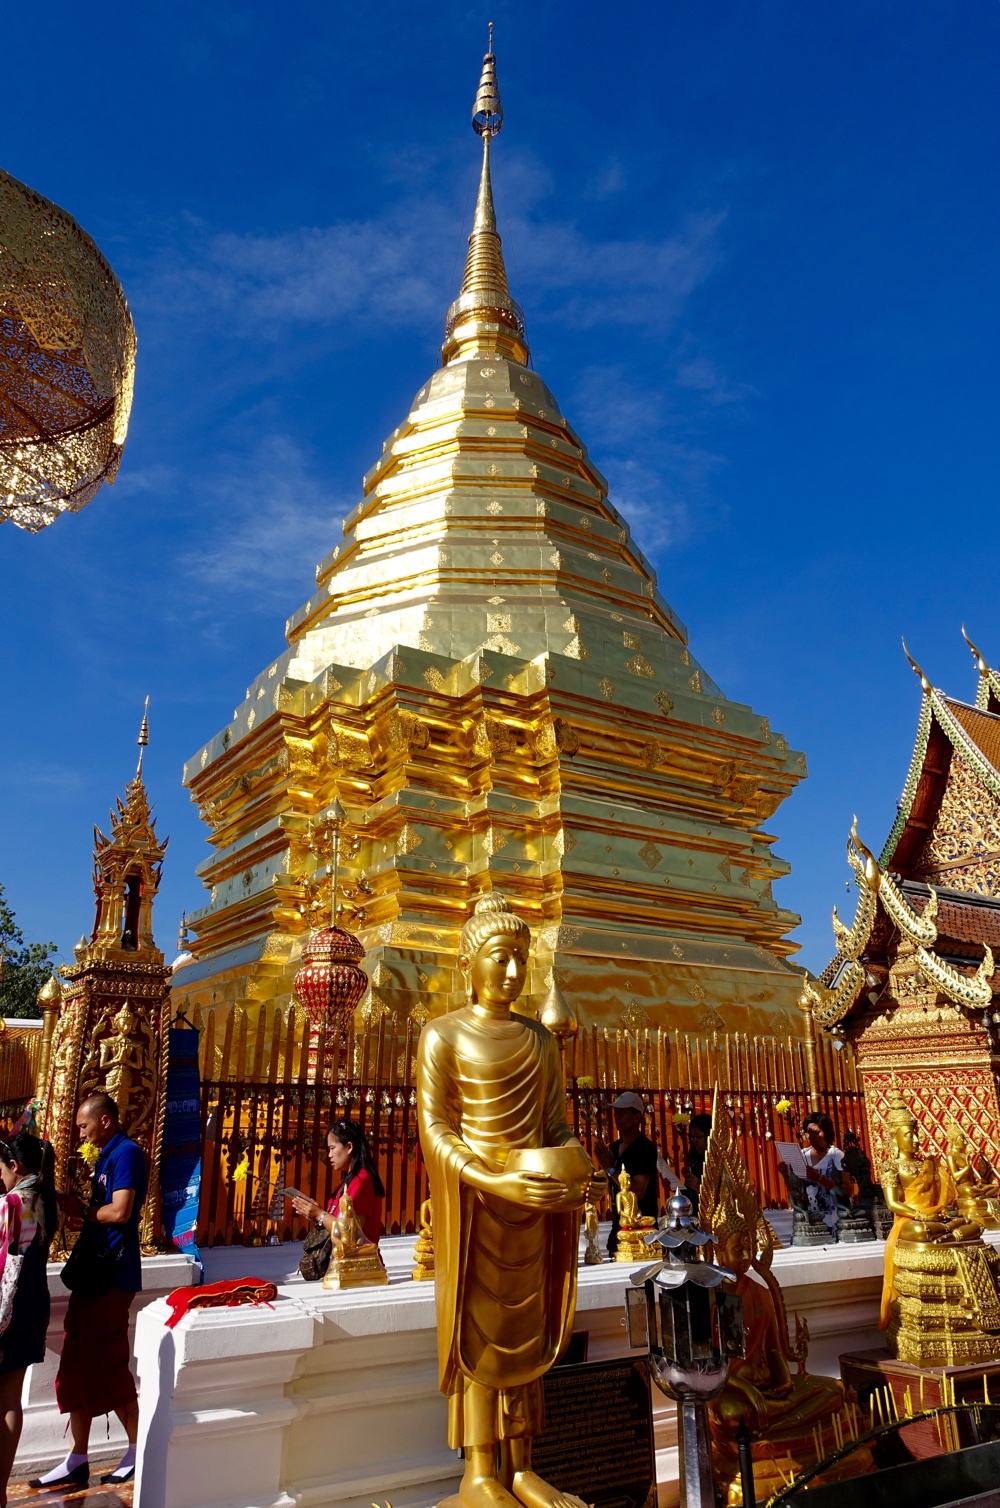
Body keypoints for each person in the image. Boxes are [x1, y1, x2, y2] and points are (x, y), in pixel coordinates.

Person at [417, 892, 601, 1508]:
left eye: (521, 959)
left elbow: (554, 1125)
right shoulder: (441, 1036)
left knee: (528, 1331)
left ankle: (523, 1464)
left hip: (534, 1202)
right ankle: (480, 1469)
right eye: (502, 958)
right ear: (469, 962)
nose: (515, 973)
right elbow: (436, 1132)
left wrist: (575, 1159)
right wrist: (491, 1180)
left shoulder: (538, 1042)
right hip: (476, 1207)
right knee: (481, 1336)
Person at [31, 1092, 147, 1490]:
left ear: (107, 1121)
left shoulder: (127, 1153)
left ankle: (137, 1448)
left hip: (112, 1274)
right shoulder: (105, 1156)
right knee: (75, 1364)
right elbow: (101, 1215)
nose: (81, 1132)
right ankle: (77, 1457)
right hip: (91, 1273)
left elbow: (121, 1212)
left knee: (107, 1363)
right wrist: (74, 1207)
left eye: (84, 1125)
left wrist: (86, 1212)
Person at [0, 1135, 55, 1508]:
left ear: (15, 1166)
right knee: (11, 1399)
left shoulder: (12, 1203)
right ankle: (0, 1488)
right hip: (34, 1302)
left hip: (6, 1306)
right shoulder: (48, 1199)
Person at [293, 1120, 385, 1251]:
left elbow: (351, 1233)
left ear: (349, 1147)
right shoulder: (346, 1182)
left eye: (332, 1148)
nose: (329, 1155)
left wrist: (320, 1215)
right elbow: (335, 1225)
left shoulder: (362, 1181)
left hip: (360, 1266)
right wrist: (317, 1213)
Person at [594, 1091, 659, 1256]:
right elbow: (614, 1190)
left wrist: (610, 1168)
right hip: (619, 1225)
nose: (617, 1117)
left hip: (641, 1228)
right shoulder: (615, 1147)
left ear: (636, 1117)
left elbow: (638, 1192)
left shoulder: (644, 1148)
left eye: (622, 1112)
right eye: (616, 1113)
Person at [683, 1112, 713, 1214]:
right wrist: (674, 1187)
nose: (694, 1141)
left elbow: (729, 1197)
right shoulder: (693, 1161)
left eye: (698, 1137)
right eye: (692, 1137)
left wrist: (700, 1188)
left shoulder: (722, 1161)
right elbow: (689, 1195)